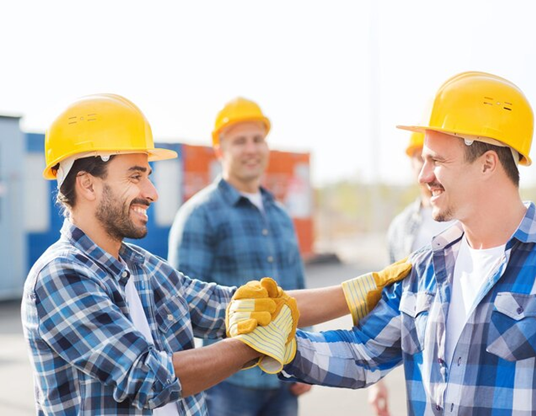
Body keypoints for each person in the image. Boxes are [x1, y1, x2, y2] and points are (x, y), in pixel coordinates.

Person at [231, 71, 536, 414]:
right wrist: (284, 345)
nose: (423, 176)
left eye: (436, 160)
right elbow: (363, 351)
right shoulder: (428, 266)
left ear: (488, 163)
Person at [21, 93, 411, 415]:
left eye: (148, 176)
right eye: (136, 175)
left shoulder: (143, 270)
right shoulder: (60, 276)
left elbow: (235, 305)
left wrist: (362, 289)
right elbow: (147, 377)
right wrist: (258, 343)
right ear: (88, 185)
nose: (152, 192)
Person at [167, 96, 312, 415]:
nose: (251, 149)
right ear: (220, 150)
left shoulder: (279, 214)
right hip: (227, 384)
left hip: (284, 377)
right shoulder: (199, 215)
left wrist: (307, 356)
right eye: (240, 141)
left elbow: (297, 292)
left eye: (258, 140)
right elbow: (179, 310)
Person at [368, 131, 453, 416]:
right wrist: (375, 380)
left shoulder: (465, 214)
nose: (424, 166)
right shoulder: (401, 227)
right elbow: (386, 301)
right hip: (421, 354)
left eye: (433, 157)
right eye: (419, 158)